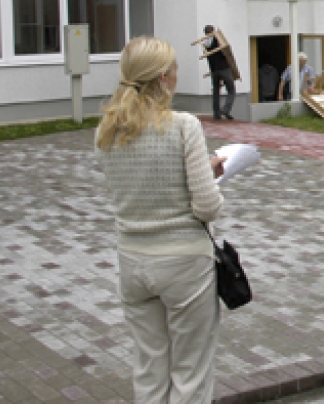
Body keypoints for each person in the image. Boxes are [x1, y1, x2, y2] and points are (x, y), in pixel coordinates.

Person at [95, 37, 226, 403]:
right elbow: (207, 207)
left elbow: (137, 188)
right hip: (185, 263)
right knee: (191, 374)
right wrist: (212, 177)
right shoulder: (183, 125)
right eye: (175, 69)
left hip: (132, 259)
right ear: (164, 76)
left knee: (149, 369)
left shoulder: (106, 131)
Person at [203, 25, 235, 120]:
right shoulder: (217, 40)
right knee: (231, 89)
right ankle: (226, 109)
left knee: (216, 91)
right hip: (224, 68)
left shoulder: (205, 44)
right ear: (213, 31)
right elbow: (225, 53)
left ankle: (216, 114)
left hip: (214, 70)